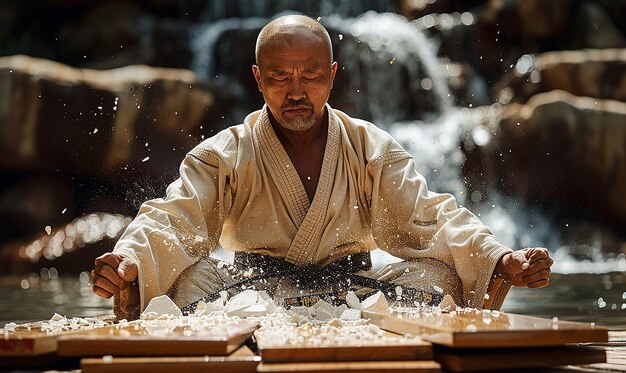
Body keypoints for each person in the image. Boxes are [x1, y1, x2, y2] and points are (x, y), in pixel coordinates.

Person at [92, 15, 553, 319]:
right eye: (279, 77)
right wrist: (130, 262)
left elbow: (433, 218)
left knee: (443, 278)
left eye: (310, 76)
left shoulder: (370, 147)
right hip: (250, 294)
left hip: (353, 290)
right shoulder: (224, 153)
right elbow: (172, 220)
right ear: (257, 79)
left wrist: (499, 258)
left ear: (332, 75)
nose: (296, 91)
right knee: (181, 282)